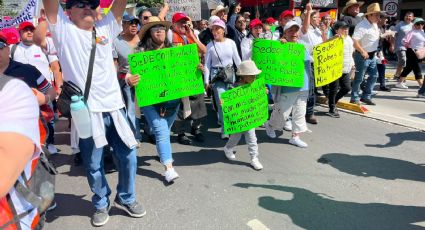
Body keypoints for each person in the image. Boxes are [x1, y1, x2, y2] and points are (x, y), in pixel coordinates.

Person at [43, 0, 145, 226]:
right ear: (68, 11)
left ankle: (126, 197)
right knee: (93, 163)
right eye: (80, 3)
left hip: (115, 107)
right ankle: (100, 202)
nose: (88, 7)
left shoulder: (106, 27)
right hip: (86, 112)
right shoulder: (63, 29)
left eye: (91, 3)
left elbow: (120, 4)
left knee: (128, 156)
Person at [135, 16, 203, 182]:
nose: (159, 31)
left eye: (162, 28)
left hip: (173, 102)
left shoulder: (176, 51)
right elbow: (132, 72)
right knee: (162, 132)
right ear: (149, 33)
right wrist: (131, 78)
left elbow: (187, 71)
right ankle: (169, 168)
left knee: (164, 130)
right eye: (155, 28)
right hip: (151, 102)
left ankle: (162, 151)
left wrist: (197, 69)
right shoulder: (141, 52)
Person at [11, 21, 62, 155]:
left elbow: (56, 68)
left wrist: (59, 86)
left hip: (45, 90)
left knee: (48, 119)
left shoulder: (44, 47)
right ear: (20, 33)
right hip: (21, 94)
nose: (29, 32)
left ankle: (50, 143)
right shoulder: (12, 49)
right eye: (25, 30)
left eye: (31, 30)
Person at [0, 74, 43, 229]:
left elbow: (49, 90)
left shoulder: (12, 89)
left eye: (3, 47)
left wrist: (44, 98)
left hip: (11, 218)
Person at [265, 20, 312, 148]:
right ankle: (270, 125)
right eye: (290, 30)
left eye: (296, 30)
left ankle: (295, 136)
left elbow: (312, 59)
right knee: (282, 112)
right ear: (285, 33)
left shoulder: (303, 46)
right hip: (288, 87)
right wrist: (281, 45)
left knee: (300, 112)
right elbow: (272, 61)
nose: (294, 33)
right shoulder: (280, 45)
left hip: (304, 85)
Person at [168, 12, 207, 145]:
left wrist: (192, 36)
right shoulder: (170, 36)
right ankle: (181, 133)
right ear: (173, 24)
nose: (183, 24)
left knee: (199, 104)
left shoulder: (192, 35)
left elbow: (204, 50)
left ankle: (196, 129)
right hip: (178, 77)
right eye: (180, 22)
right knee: (180, 106)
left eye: (185, 22)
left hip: (194, 76)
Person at [204, 19, 241, 140]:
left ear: (223, 30)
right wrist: (206, 81)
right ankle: (225, 129)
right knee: (222, 102)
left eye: (217, 29)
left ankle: (226, 122)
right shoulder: (210, 45)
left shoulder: (231, 43)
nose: (214, 32)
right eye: (212, 29)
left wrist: (244, 75)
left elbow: (237, 60)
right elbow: (207, 65)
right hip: (217, 75)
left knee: (230, 101)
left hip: (230, 73)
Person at [223, 60, 263, 170]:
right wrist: (225, 102)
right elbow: (228, 101)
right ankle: (228, 148)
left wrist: (263, 93)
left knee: (252, 138)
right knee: (235, 136)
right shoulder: (234, 88)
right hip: (239, 118)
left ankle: (254, 158)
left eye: (255, 75)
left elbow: (257, 98)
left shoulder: (255, 86)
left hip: (250, 118)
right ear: (243, 76)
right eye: (251, 75)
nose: (254, 77)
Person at [113, 15, 142, 143]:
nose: (134, 25)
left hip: (145, 78)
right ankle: (134, 136)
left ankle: (151, 132)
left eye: (136, 23)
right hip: (126, 80)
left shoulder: (143, 39)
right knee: (131, 108)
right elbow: (114, 64)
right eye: (130, 23)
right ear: (123, 25)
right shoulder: (115, 41)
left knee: (149, 107)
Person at [298, 3, 326, 125]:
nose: (318, 19)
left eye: (318, 17)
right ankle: (308, 113)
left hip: (317, 63)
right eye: (315, 17)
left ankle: (307, 112)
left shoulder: (317, 31)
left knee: (313, 89)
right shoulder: (304, 30)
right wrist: (309, 11)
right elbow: (305, 28)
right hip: (307, 63)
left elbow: (323, 45)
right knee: (309, 90)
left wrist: (326, 33)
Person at [350, 3, 383, 106]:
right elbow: (354, 41)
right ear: (369, 15)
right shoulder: (361, 26)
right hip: (362, 55)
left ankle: (366, 96)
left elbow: (373, 38)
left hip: (372, 55)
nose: (379, 17)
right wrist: (362, 51)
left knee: (374, 76)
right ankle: (354, 98)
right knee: (359, 77)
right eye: (376, 15)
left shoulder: (374, 24)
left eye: (379, 15)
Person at [326, 21, 354, 118]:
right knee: (334, 89)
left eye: (347, 28)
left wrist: (353, 65)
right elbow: (325, 47)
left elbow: (350, 54)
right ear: (337, 30)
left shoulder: (349, 39)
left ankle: (332, 101)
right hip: (335, 68)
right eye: (343, 28)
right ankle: (332, 108)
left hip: (346, 68)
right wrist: (333, 39)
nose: (346, 30)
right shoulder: (335, 39)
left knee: (347, 88)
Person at [399, 18, 425, 90]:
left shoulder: (422, 32)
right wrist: (408, 45)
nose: (420, 25)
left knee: (409, 67)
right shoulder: (412, 32)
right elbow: (403, 41)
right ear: (414, 25)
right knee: (417, 67)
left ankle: (399, 82)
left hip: (419, 52)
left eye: (422, 23)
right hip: (412, 51)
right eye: (418, 24)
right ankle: (421, 84)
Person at [393, 12, 414, 81]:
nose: (408, 17)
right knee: (403, 60)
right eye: (406, 16)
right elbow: (393, 34)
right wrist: (392, 44)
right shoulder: (400, 24)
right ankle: (401, 76)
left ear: (412, 18)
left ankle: (397, 75)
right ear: (404, 17)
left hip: (409, 47)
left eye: (409, 16)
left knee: (403, 62)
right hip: (400, 45)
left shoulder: (413, 26)